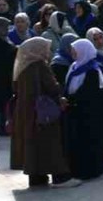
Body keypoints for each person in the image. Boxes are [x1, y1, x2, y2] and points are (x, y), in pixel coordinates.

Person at [10, 37, 74, 188]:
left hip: (27, 113)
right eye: (44, 48)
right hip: (43, 113)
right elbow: (51, 87)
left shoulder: (22, 67)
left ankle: (37, 177)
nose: (47, 51)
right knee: (50, 144)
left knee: (33, 145)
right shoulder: (39, 66)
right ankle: (60, 177)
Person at [63, 37, 103, 180]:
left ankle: (91, 171)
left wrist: (70, 100)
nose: (73, 53)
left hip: (88, 113)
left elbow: (88, 93)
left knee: (89, 142)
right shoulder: (74, 66)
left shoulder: (92, 70)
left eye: (75, 50)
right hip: (74, 111)